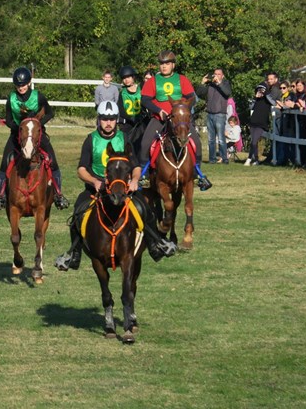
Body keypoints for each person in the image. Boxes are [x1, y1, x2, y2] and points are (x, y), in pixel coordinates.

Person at [54, 100, 177, 271]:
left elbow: (135, 166)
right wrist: (94, 181)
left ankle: (155, 245)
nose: (108, 123)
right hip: (96, 189)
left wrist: (134, 180)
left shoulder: (124, 138)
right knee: (77, 214)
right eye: (104, 119)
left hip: (122, 189)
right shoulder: (91, 140)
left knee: (144, 209)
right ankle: (74, 254)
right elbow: (81, 169)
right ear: (99, 120)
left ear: (116, 120)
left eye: (112, 119)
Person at [0, 66, 69, 211]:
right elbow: (8, 119)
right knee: (5, 162)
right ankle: (1, 196)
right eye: (18, 85)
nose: (21, 87)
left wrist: (38, 125)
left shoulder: (38, 96)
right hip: (17, 134)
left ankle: (58, 194)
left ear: (29, 83)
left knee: (53, 160)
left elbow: (50, 113)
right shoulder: (11, 98)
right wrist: (18, 129)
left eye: (24, 84)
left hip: (37, 134)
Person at [138, 50, 212, 191]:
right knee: (145, 143)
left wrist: (183, 109)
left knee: (196, 142)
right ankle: (144, 176)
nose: (164, 66)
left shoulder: (182, 79)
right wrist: (159, 110)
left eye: (167, 63)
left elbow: (192, 97)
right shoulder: (153, 81)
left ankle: (197, 175)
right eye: (161, 63)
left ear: (173, 65)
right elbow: (145, 99)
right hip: (159, 119)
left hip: (179, 120)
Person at [196, 68, 232, 164]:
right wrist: (202, 83)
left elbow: (227, 93)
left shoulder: (225, 83)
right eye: (215, 74)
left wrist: (219, 83)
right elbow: (199, 93)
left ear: (222, 75)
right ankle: (212, 159)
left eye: (218, 74)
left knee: (221, 138)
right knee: (211, 139)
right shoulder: (210, 85)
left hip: (220, 114)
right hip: (210, 114)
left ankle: (224, 158)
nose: (216, 76)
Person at [116, 65, 147, 160]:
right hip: (129, 123)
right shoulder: (122, 93)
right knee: (126, 142)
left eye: (128, 77)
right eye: (124, 78)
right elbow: (121, 110)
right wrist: (132, 118)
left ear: (133, 77)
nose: (126, 80)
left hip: (142, 120)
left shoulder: (141, 90)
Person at [245, 84, 273, 166]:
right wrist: (255, 98)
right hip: (253, 122)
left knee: (254, 142)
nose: (260, 91)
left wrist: (265, 94)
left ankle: (249, 159)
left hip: (262, 123)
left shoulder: (267, 99)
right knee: (254, 142)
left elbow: (273, 102)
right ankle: (256, 159)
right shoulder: (256, 100)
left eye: (261, 90)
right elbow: (251, 107)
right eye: (258, 90)